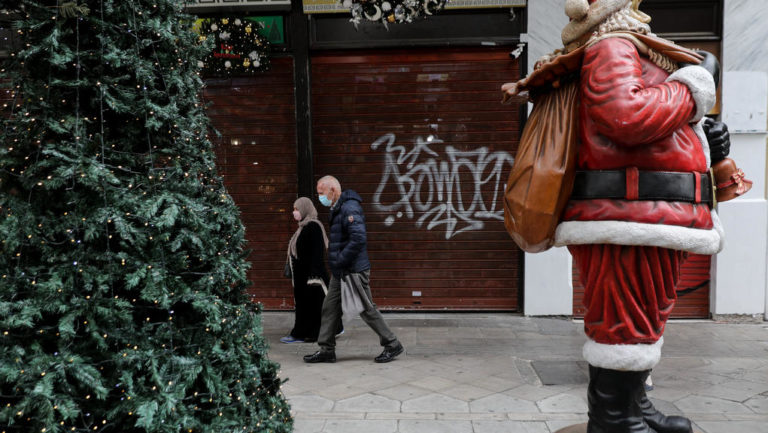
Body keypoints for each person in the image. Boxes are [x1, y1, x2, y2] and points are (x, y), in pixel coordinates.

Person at [504, 1, 736, 432]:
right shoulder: (612, 45)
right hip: (628, 217)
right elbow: (625, 117)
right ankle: (616, 419)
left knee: (640, 319)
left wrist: (702, 133)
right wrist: (693, 89)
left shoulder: (630, 47)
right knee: (623, 323)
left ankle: (633, 407)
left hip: (647, 216)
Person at [303, 175, 404, 363]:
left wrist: (340, 259)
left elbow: (358, 238)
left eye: (321, 193)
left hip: (353, 269)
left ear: (333, 190)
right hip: (340, 271)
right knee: (329, 308)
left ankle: (392, 344)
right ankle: (326, 349)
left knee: (366, 309)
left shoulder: (349, 207)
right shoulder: (338, 207)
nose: (319, 197)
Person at [282, 197, 330, 344]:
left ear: (305, 209)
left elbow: (317, 253)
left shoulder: (313, 226)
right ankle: (303, 332)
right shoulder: (302, 227)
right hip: (301, 276)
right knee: (305, 305)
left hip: (310, 277)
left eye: (297, 209)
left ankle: (304, 334)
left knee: (312, 306)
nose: (294, 212)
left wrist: (314, 276)